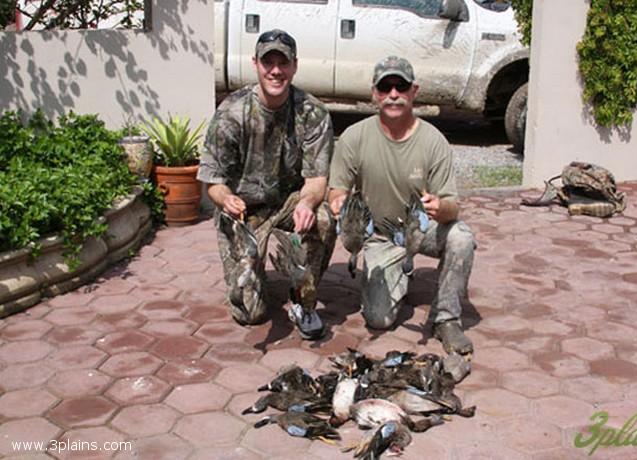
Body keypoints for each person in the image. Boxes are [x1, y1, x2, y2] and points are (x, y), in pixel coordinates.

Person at [328, 56, 476, 356]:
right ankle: (396, 280)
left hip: (421, 228)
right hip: (381, 236)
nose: (393, 94)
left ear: (414, 91)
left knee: (461, 237)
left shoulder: (434, 141)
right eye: (385, 87)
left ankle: (446, 319)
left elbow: (452, 207)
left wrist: (439, 207)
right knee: (378, 319)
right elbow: (336, 188)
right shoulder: (354, 137)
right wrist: (338, 202)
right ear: (374, 93)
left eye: (401, 86)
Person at [198, 29, 336, 339]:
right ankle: (254, 273)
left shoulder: (312, 113)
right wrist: (226, 200)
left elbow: (316, 179)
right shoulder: (231, 112)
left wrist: (306, 202)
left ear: (294, 66)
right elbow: (214, 182)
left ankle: (302, 296)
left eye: (283, 63)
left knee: (325, 219)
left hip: (288, 201)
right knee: (251, 314)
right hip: (244, 210)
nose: (275, 70)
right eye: (267, 62)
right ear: (255, 64)